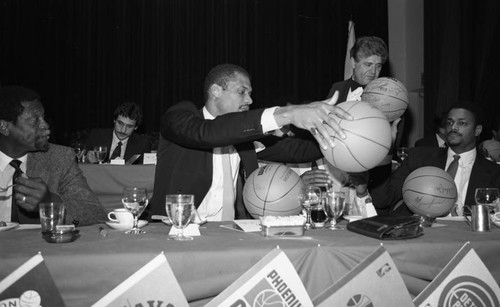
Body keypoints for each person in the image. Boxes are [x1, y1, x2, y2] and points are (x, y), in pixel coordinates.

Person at [146, 63, 354, 221]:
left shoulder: (243, 137)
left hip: (228, 234)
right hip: (176, 229)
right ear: (216, 91)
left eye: (250, 93)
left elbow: (296, 150)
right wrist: (288, 113)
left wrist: (340, 136)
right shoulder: (180, 116)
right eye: (242, 92)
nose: (250, 100)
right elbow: (208, 134)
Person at [0, 86, 107, 225]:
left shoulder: (59, 158)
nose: (45, 125)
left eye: (43, 118)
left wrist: (49, 202)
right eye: (35, 121)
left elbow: (95, 215)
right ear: (4, 127)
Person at [370, 102, 500, 216]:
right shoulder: (419, 158)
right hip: (420, 234)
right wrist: (386, 147)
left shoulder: (494, 172)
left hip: (470, 238)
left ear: (477, 130)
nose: (453, 127)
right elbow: (382, 200)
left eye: (461, 123)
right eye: (449, 122)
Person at [326, 36, 388, 102]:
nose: (373, 72)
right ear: (353, 63)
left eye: (378, 66)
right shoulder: (338, 88)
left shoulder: (386, 94)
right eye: (368, 65)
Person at [85, 102, 151, 163]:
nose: (123, 130)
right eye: (120, 123)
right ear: (114, 120)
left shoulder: (142, 144)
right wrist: (87, 159)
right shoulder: (96, 136)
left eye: (129, 126)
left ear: (136, 127)